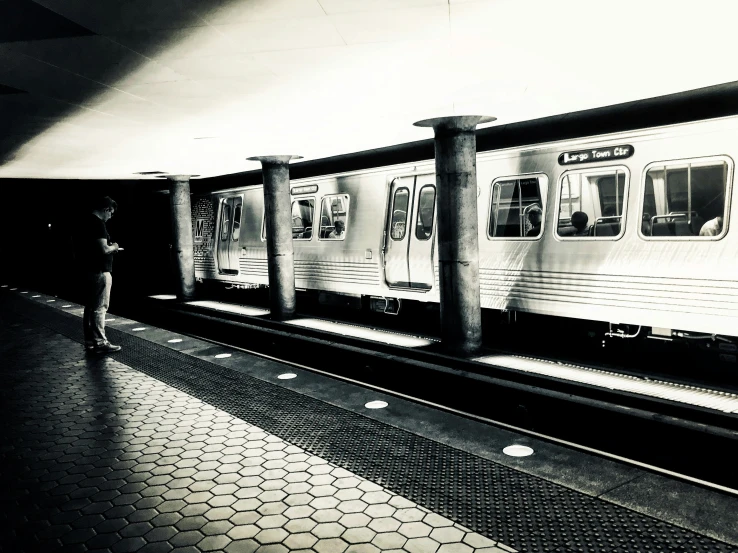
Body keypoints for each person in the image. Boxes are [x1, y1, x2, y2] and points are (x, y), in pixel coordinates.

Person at [75, 196, 122, 353]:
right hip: (99, 271)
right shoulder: (98, 224)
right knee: (100, 307)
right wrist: (114, 246)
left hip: (87, 269)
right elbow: (103, 249)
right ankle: (100, 342)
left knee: (90, 307)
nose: (110, 217)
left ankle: (90, 341)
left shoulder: (84, 222)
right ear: (106, 209)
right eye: (111, 213)